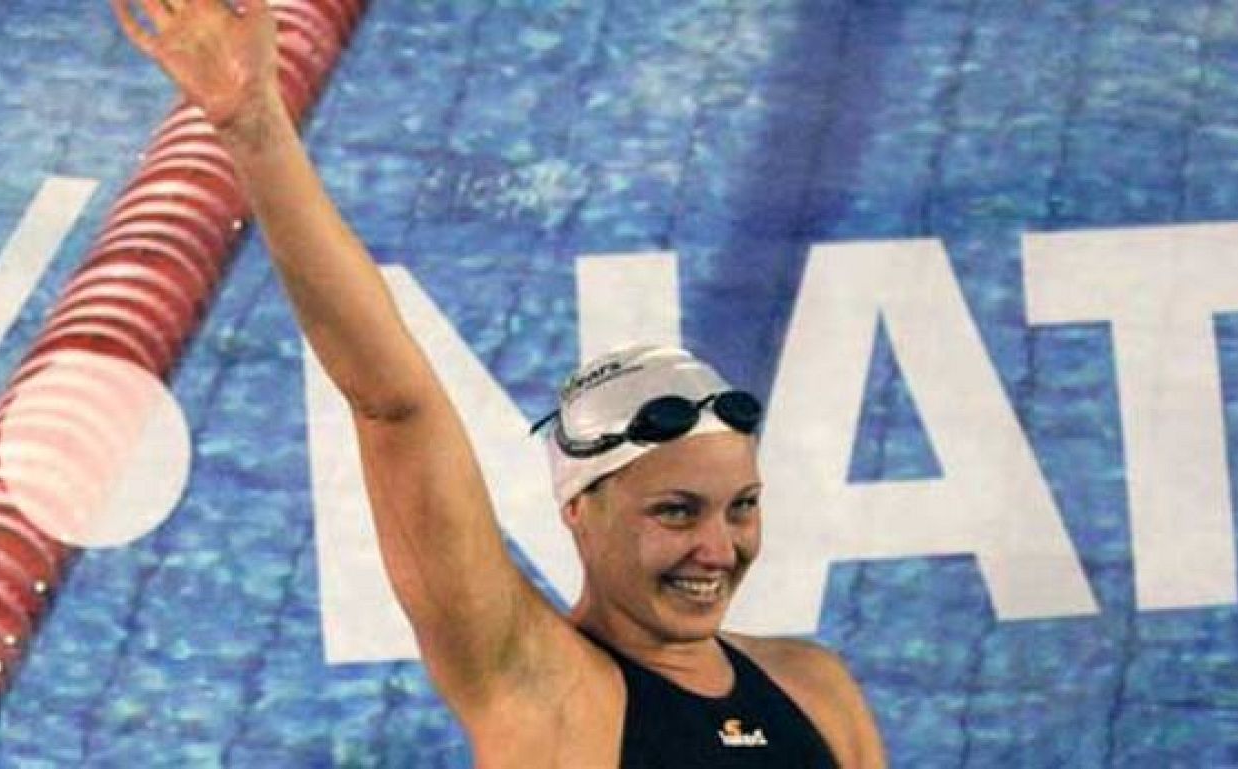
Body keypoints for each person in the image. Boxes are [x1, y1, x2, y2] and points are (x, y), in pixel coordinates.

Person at [111, 1, 886, 766]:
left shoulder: (814, 688)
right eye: (677, 511)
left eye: (740, 507)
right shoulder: (540, 690)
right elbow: (394, 407)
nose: (717, 548)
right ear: (581, 509)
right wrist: (257, 131)